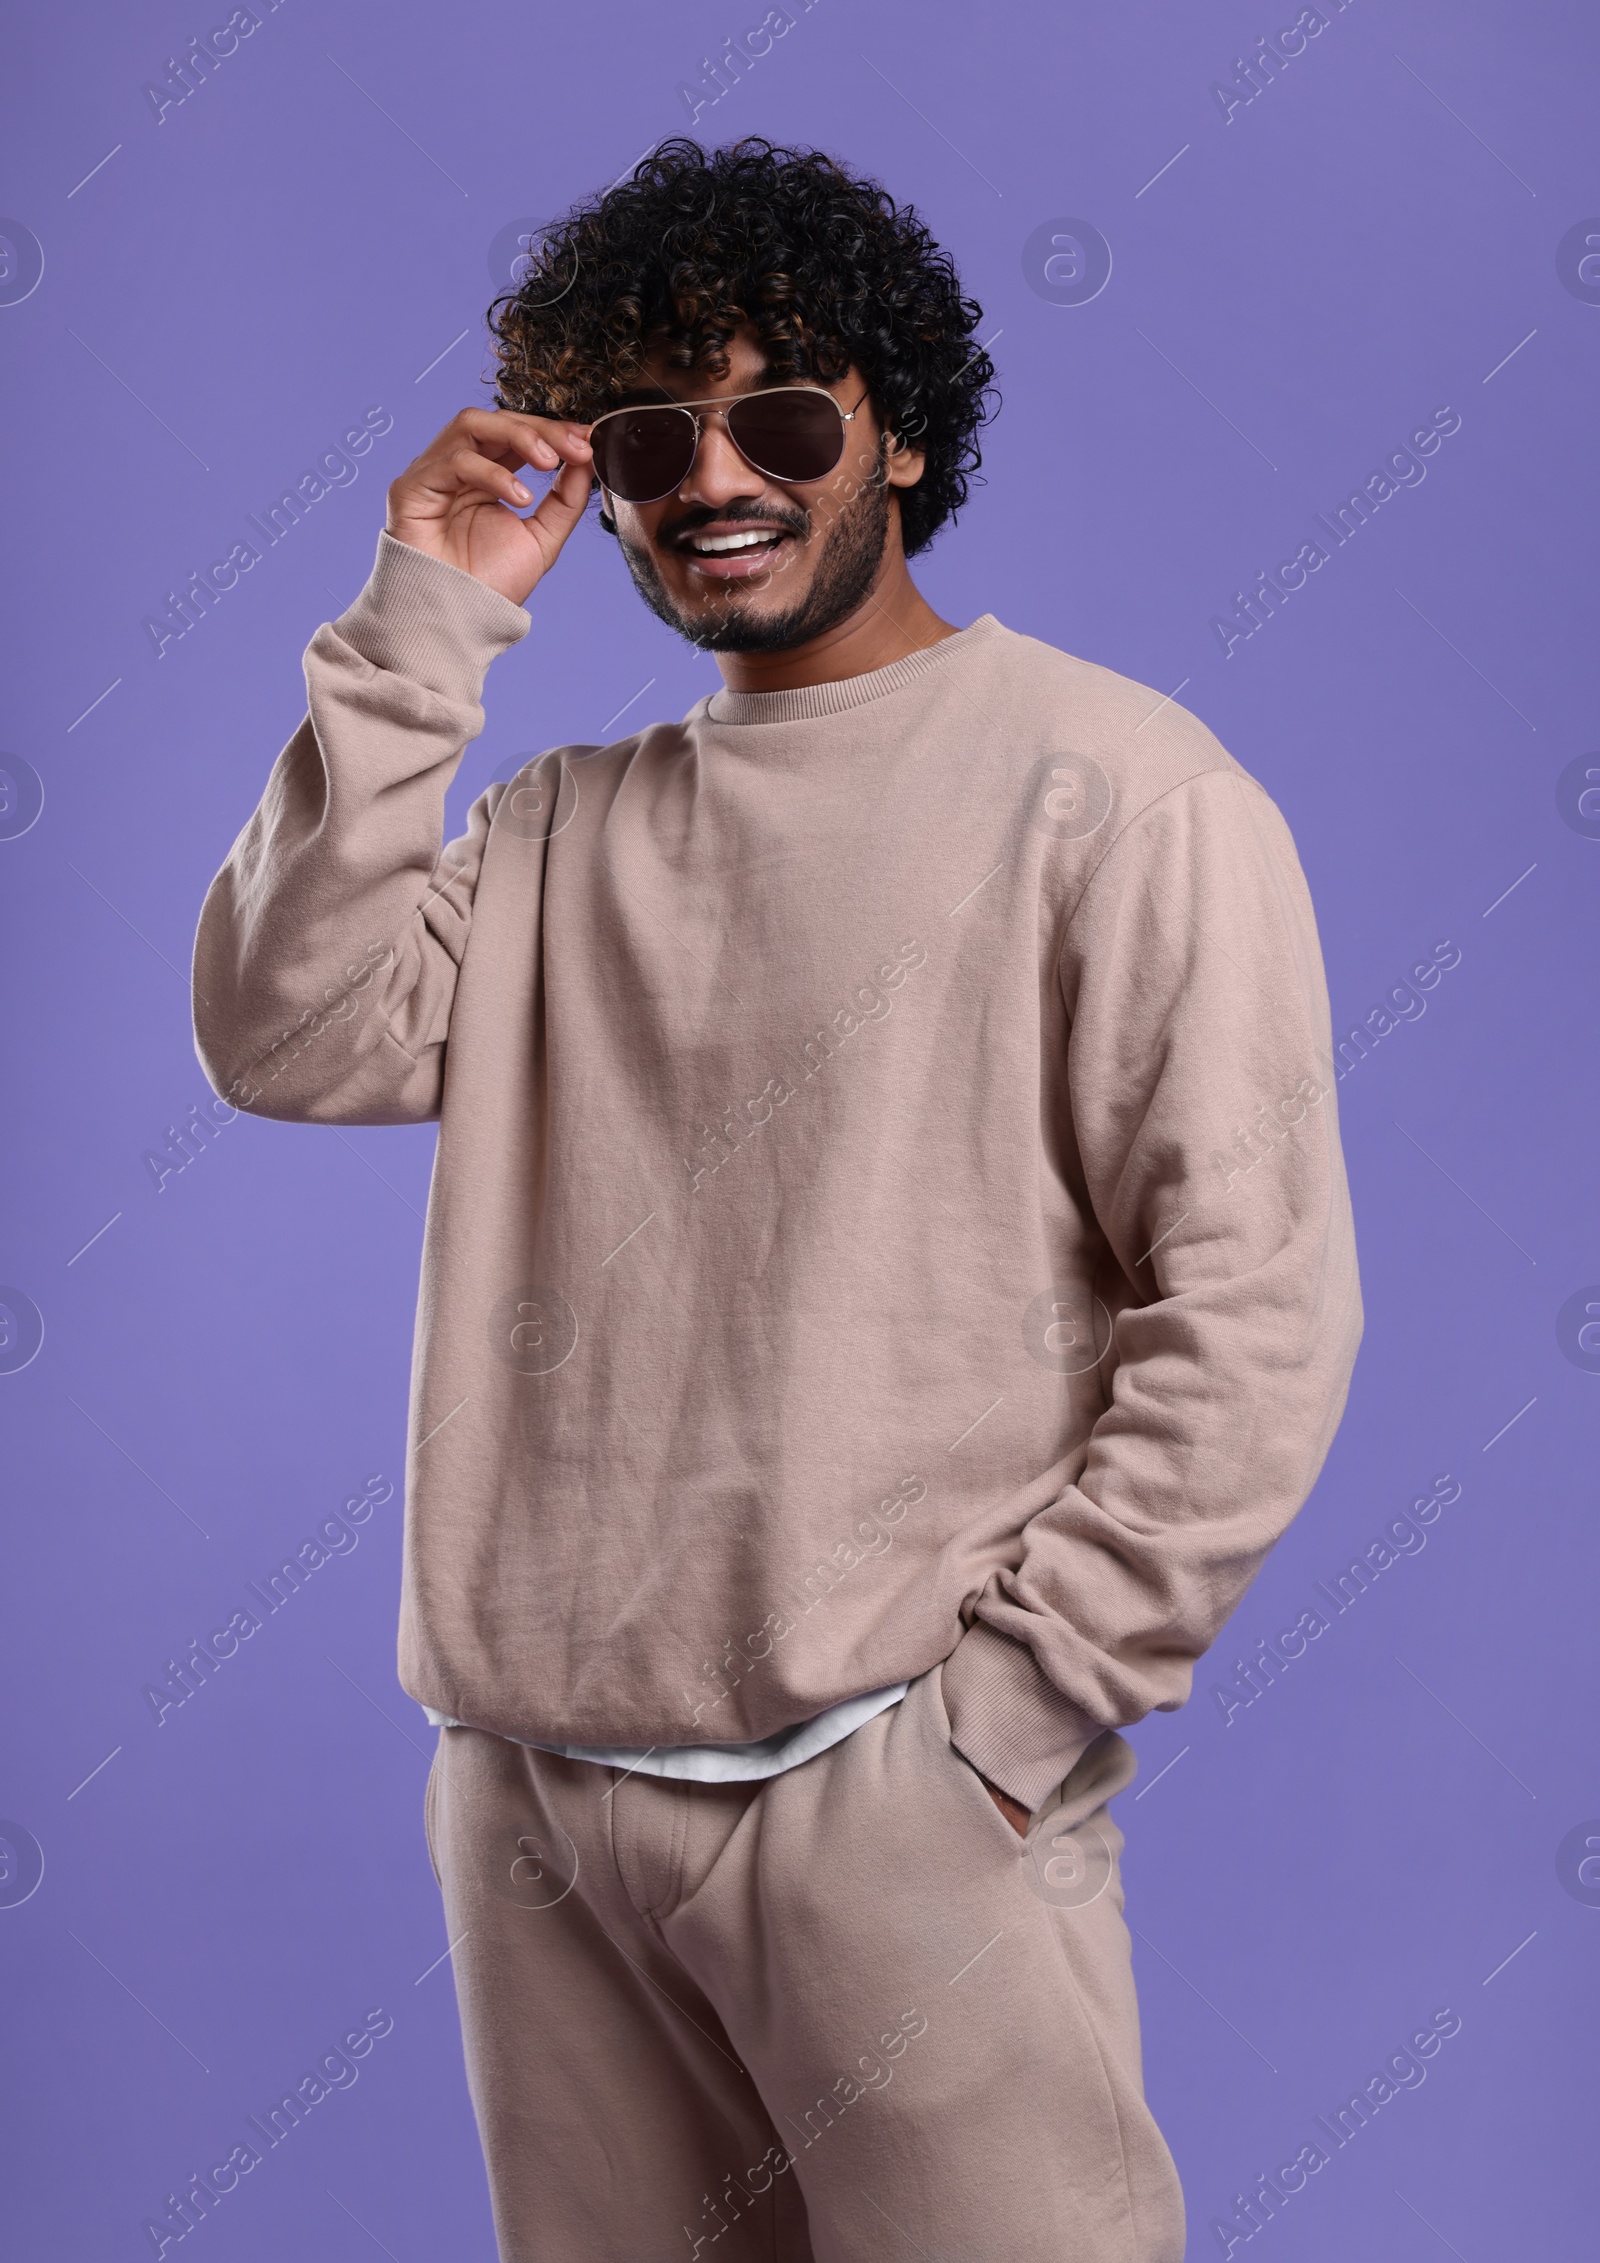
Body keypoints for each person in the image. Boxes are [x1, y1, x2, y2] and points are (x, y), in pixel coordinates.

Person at [192, 134, 1362, 2262]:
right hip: (537, 1801)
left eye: (783, 416)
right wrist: (425, 613)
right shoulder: (562, 831)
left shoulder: (1126, 790)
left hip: (892, 1804)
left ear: (897, 436)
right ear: (601, 481)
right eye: (647, 434)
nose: (714, 476)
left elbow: (1254, 1313)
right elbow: (281, 1033)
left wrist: (990, 1742)